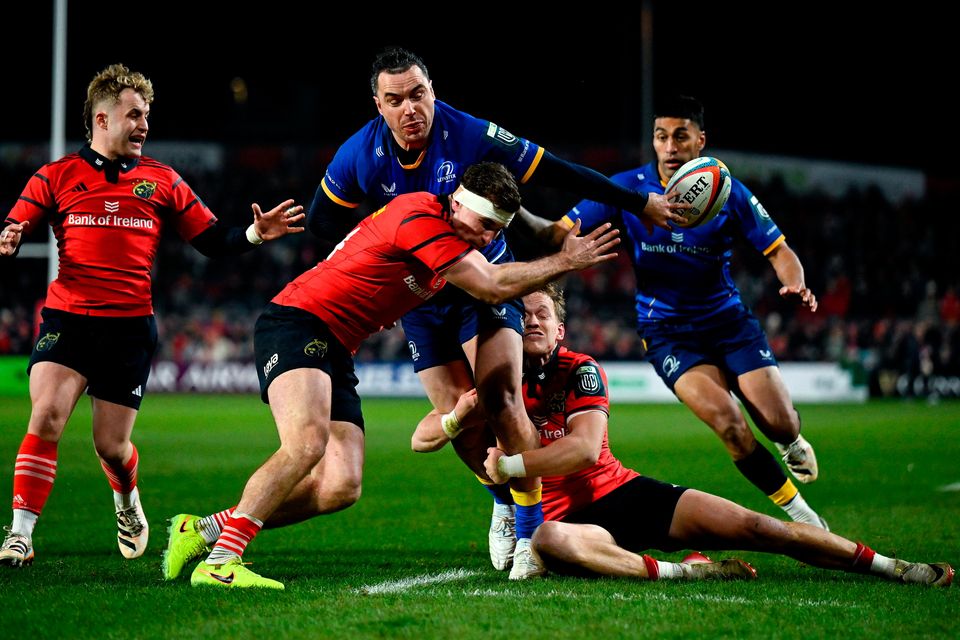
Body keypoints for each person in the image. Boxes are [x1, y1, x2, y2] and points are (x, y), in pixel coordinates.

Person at [308, 47, 686, 576]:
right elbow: (323, 222)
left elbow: (560, 170)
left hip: (487, 281)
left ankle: (533, 531)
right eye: (395, 100)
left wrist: (640, 203)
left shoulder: (470, 134)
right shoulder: (359, 156)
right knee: (458, 422)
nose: (410, 108)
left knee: (502, 395)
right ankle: (503, 503)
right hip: (423, 295)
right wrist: (382, 275)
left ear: (433, 90)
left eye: (418, 94)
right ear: (379, 106)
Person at [163, 162, 620, 589]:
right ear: (457, 202)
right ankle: (222, 562)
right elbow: (490, 284)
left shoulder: (453, 235)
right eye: (484, 225)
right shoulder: (420, 217)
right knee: (305, 444)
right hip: (298, 321)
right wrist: (566, 260)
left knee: (342, 485)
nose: (487, 238)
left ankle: (200, 529)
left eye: (497, 230)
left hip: (337, 344)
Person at [0, 64, 304, 568]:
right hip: (69, 319)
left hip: (129, 330)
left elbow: (211, 240)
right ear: (101, 119)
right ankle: (20, 534)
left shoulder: (162, 180)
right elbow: (19, 216)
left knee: (112, 446)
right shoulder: (56, 176)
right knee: (46, 414)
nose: (144, 124)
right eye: (134, 114)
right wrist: (11, 233)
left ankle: (126, 500)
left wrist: (254, 234)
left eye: (147, 115)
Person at [479, 284, 953, 586]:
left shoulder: (580, 369)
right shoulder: (498, 379)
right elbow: (432, 435)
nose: (532, 321)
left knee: (760, 528)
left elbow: (583, 451)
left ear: (560, 329)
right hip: (567, 522)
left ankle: (894, 567)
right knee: (549, 540)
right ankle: (690, 571)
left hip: (623, 492)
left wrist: (511, 468)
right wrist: (458, 424)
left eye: (541, 313)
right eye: (522, 314)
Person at [523, 95, 828, 529]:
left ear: (700, 141)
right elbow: (555, 233)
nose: (669, 146)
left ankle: (790, 439)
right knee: (729, 424)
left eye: (680, 136)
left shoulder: (727, 191)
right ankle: (802, 516)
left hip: (729, 323)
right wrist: (511, 208)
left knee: (777, 421)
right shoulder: (627, 189)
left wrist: (794, 282)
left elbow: (780, 251)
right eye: (661, 136)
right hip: (667, 332)